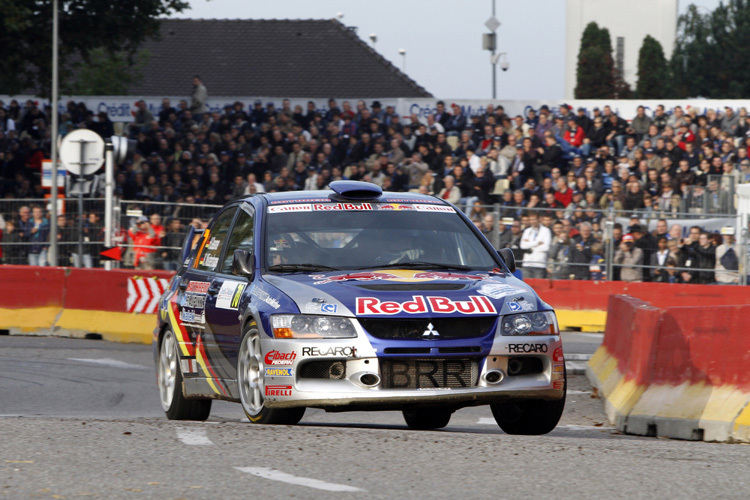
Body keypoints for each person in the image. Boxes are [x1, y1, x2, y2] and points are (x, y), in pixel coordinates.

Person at [519, 212, 551, 278]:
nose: (532, 221)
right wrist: (536, 243)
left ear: (539, 219)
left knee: (538, 286)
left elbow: (545, 248)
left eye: (534, 219)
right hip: (527, 263)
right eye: (530, 220)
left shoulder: (546, 231)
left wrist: (529, 244)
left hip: (539, 264)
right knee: (527, 286)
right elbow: (522, 246)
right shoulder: (527, 231)